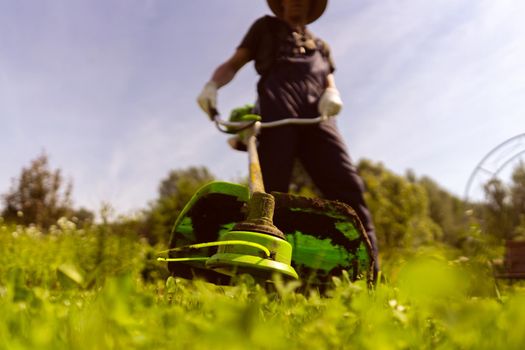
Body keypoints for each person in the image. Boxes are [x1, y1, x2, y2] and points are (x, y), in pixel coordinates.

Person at [197, 0, 379, 272]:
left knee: (349, 187)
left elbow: (328, 79)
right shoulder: (265, 28)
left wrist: (333, 92)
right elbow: (233, 64)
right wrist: (212, 84)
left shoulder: (321, 46)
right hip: (276, 115)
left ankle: (369, 272)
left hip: (318, 119)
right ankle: (268, 269)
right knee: (272, 195)